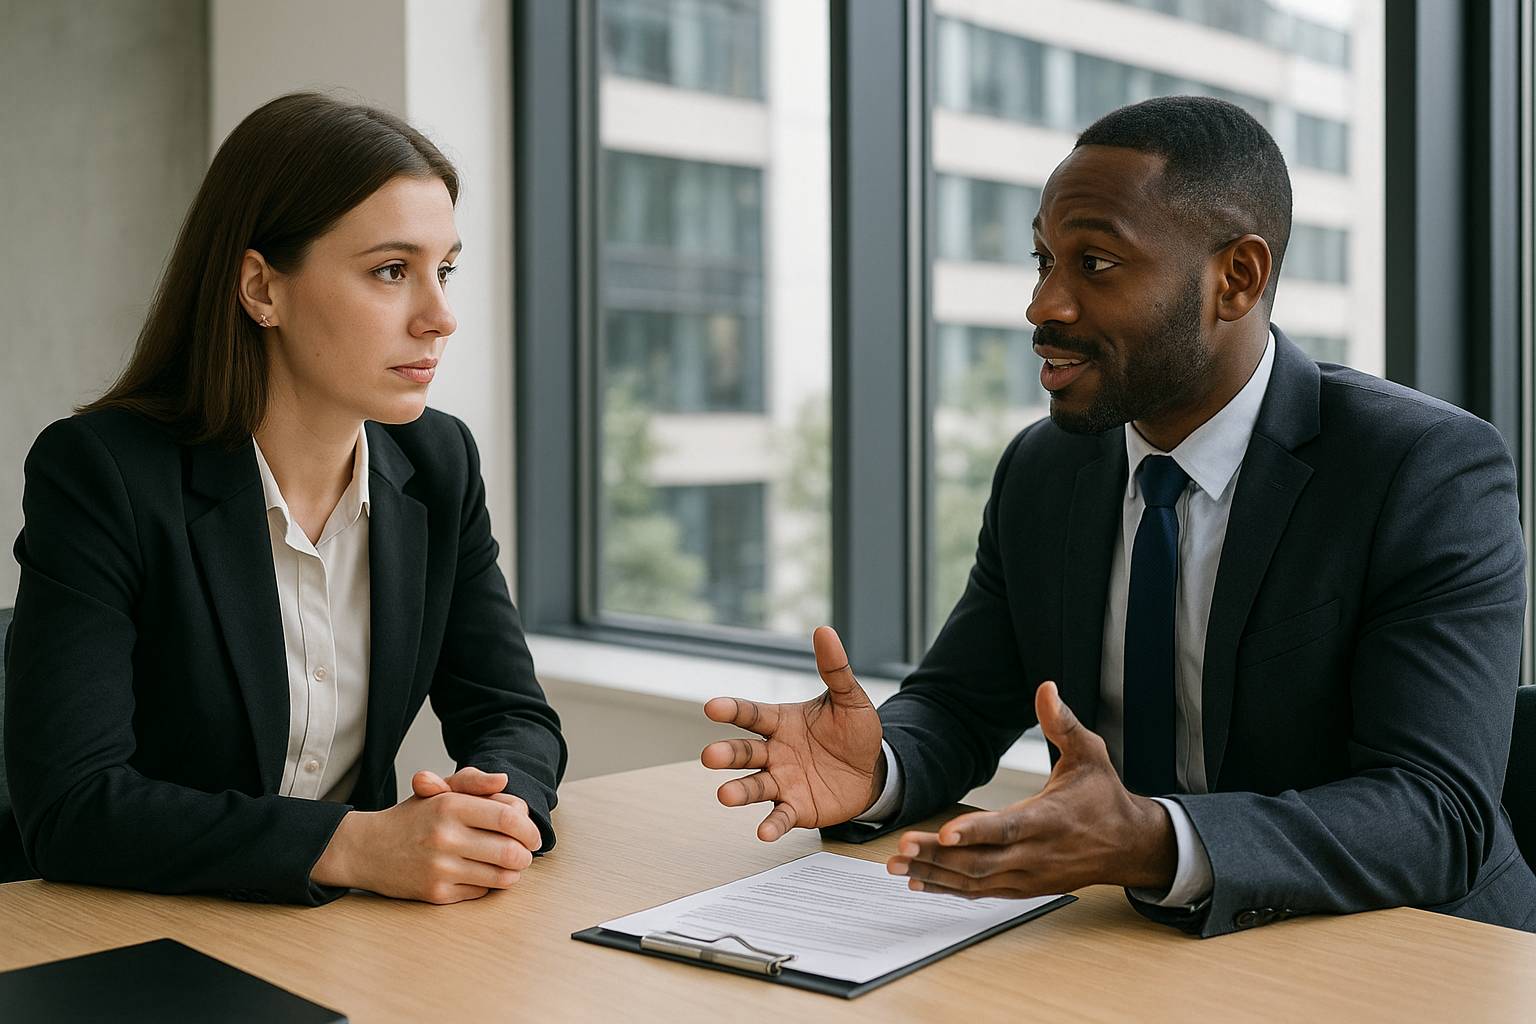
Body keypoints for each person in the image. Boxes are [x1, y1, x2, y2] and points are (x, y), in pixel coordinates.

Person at [701, 95, 1536, 936]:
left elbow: (1437, 812)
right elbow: (961, 703)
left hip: (1406, 956)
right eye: (1042, 261)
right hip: (1136, 947)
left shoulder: (1421, 472)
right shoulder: (1046, 468)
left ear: (1236, 278)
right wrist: (877, 766)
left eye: (1094, 264)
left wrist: (1156, 843)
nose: (1044, 306)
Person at [2, 92, 566, 906]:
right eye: (390, 271)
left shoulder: (438, 461)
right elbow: (72, 808)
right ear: (262, 288)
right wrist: (356, 845)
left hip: (344, 936)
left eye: (444, 270)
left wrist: (497, 815)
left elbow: (513, 713)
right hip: (142, 939)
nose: (439, 317)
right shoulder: (102, 474)